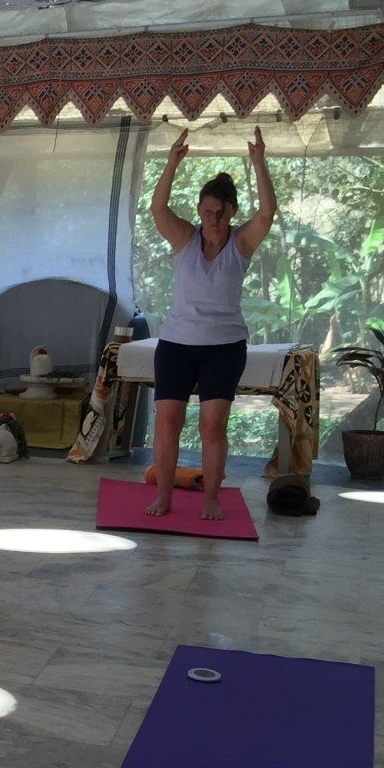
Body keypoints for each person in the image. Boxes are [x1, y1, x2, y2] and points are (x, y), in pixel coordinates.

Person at [146, 126, 277, 521]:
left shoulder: (241, 243)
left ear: (231, 211)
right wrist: (171, 163)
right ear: (199, 210)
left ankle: (212, 499)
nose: (213, 218)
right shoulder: (184, 238)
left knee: (212, 425)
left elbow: (267, 213)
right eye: (206, 211)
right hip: (176, 345)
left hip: (224, 347)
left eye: (220, 212)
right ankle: (163, 497)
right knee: (167, 422)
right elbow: (157, 209)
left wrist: (259, 163)